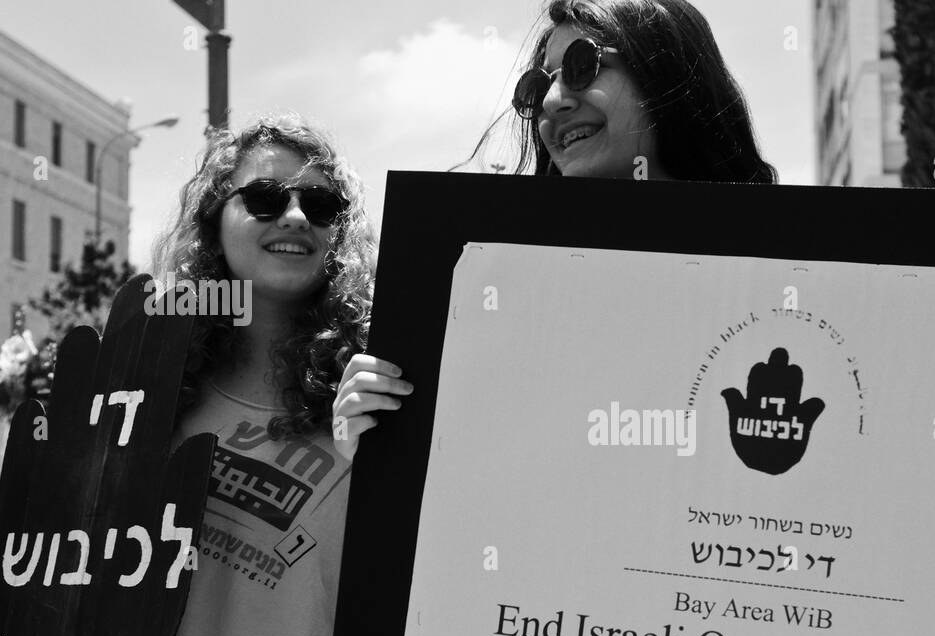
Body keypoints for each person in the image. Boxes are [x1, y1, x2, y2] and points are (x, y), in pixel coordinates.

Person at [13, 115, 377, 636]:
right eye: (268, 197)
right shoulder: (155, 381)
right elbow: (84, 576)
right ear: (217, 219)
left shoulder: (376, 384)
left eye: (323, 202)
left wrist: (376, 462)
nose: (298, 217)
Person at [332, 0, 776, 460]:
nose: (551, 101)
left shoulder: (784, 284)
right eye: (536, 86)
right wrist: (372, 453)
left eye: (583, 65)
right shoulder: (481, 296)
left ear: (664, 68)